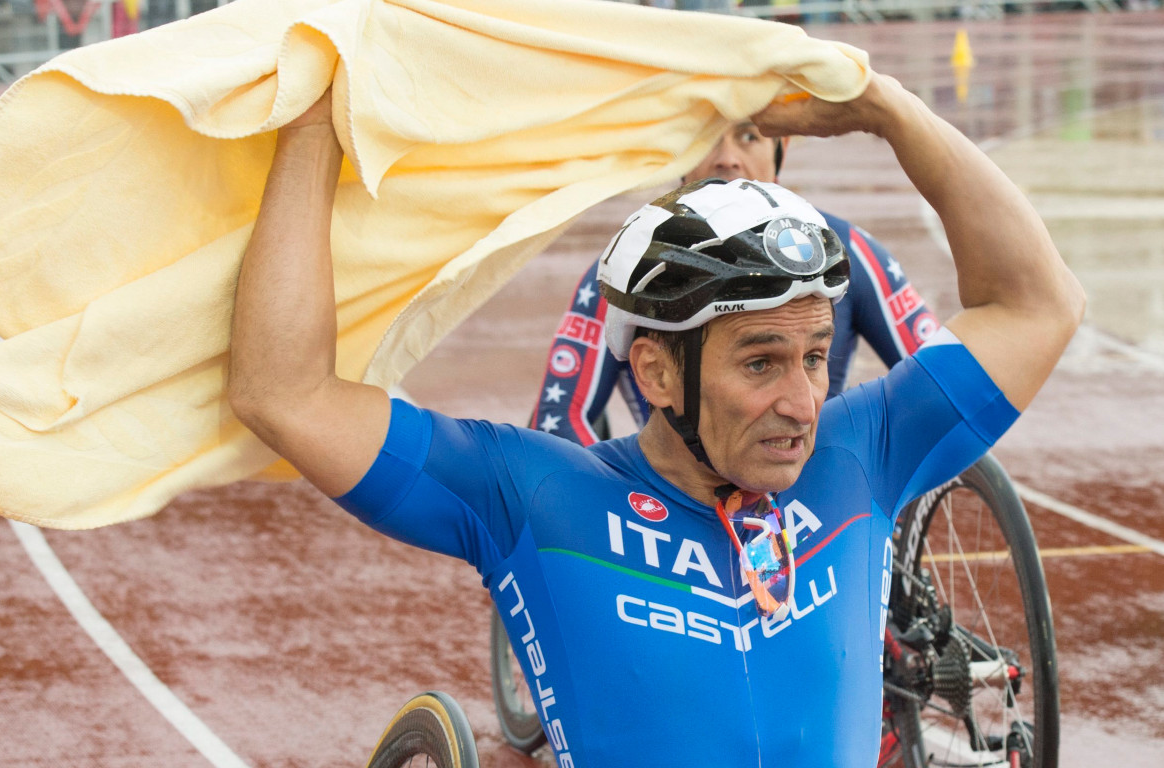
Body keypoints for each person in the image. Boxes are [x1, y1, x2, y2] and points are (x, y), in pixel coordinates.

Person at [227, 73, 1084, 766]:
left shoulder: (860, 456)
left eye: (817, 356)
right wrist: (312, 128)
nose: (803, 402)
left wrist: (889, 111)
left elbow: (1040, 304)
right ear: (656, 371)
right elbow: (286, 394)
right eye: (761, 362)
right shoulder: (535, 494)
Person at [531, 120, 940, 443]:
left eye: (749, 136)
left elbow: (941, 384)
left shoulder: (846, 249)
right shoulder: (631, 268)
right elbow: (556, 423)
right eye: (706, 137)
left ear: (782, 147)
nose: (727, 159)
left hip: (810, 484)